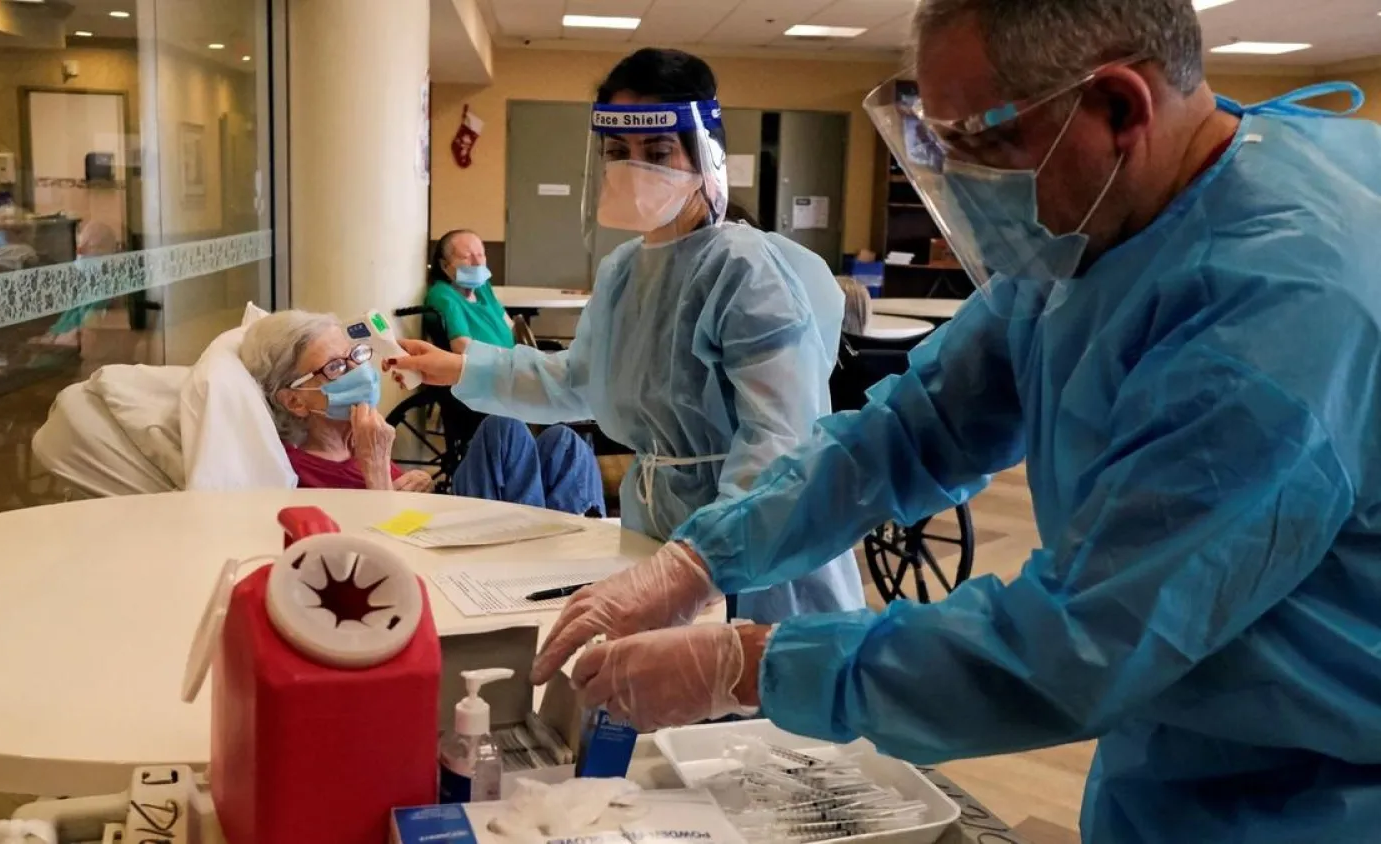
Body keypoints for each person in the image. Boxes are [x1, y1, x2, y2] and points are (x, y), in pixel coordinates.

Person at [526, 2, 1381, 841]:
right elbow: (910, 429)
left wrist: (749, 665)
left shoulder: (1275, 315)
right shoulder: (1099, 221)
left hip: (1314, 788)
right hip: (1179, 756)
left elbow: (1082, 641)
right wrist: (698, 557)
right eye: (942, 144)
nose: (965, 181)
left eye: (984, 142)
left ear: (1121, 107)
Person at [389, 48, 864, 624]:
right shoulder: (622, 271)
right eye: (618, 152)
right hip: (656, 531)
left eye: (658, 152)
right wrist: (464, 369)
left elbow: (777, 442)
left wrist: (706, 561)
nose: (635, 168)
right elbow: (582, 379)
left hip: (756, 548)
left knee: (742, 694)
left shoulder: (744, 270)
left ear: (701, 151)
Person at [240, 310, 604, 516]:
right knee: (505, 428)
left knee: (564, 443)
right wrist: (379, 475)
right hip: (441, 568)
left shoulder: (357, 439)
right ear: (294, 401)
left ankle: (568, 555)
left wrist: (417, 490)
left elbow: (408, 517)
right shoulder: (296, 471)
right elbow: (372, 556)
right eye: (336, 368)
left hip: (433, 524)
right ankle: (541, 566)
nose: (358, 371)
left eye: (355, 356)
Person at [426, 229, 515, 352]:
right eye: (466, 257)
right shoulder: (443, 296)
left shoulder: (482, 288)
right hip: (493, 368)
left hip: (515, 363)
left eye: (480, 255)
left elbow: (510, 325)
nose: (477, 263)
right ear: (444, 265)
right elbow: (462, 347)